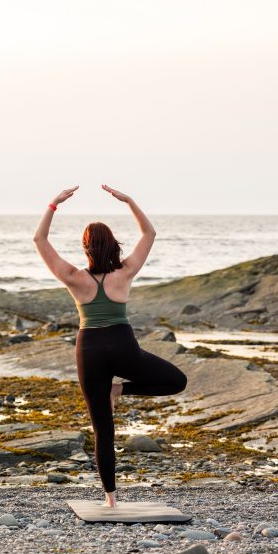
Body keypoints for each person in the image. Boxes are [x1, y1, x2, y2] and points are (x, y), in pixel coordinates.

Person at [33, 185, 186, 507]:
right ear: (113, 243)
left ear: (85, 247)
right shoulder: (126, 272)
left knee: (103, 428)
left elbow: (40, 241)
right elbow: (150, 232)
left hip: (89, 351)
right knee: (176, 381)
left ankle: (110, 499)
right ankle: (122, 391)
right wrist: (130, 200)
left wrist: (54, 204)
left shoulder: (73, 277)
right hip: (122, 345)